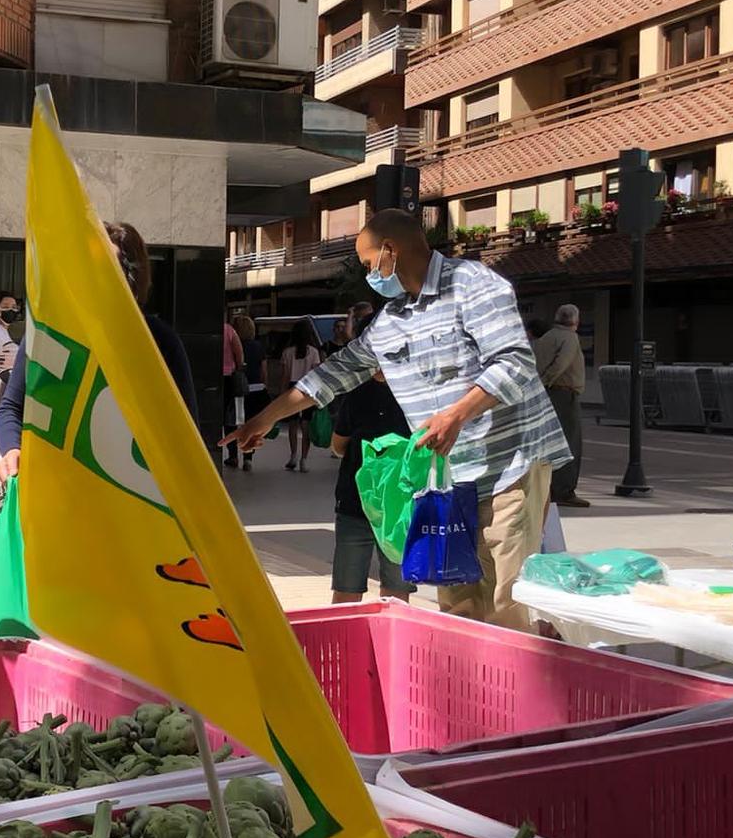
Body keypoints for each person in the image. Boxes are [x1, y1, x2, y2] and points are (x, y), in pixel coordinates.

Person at [225, 210, 570, 629]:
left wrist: (456, 414)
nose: (371, 274)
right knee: (457, 600)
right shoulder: (391, 322)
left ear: (390, 250)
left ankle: (518, 689)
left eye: (370, 263)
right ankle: (469, 689)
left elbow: (515, 362)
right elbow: (332, 376)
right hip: (448, 478)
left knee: (504, 599)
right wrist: (263, 419)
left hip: (509, 467)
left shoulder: (472, 284)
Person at [0, 221, 195, 477]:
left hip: (132, 500)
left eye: (107, 266)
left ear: (133, 277)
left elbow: (187, 435)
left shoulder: (159, 341)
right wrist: (12, 449)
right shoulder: (47, 333)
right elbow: (11, 407)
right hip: (56, 491)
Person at [328, 302, 411, 603]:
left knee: (346, 590)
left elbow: (338, 445)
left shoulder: (356, 391)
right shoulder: (415, 391)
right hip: (401, 502)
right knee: (397, 590)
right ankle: (396, 647)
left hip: (356, 499)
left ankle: (347, 649)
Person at [533, 303, 589, 508]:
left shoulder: (547, 337)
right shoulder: (570, 338)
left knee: (550, 443)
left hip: (549, 392)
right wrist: (548, 379)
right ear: (576, 320)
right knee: (570, 443)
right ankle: (564, 490)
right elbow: (561, 363)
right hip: (564, 394)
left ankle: (549, 487)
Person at [284, 327, 323, 472]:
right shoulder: (313, 352)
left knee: (292, 424)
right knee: (306, 425)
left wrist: (283, 393)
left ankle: (293, 455)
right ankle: (304, 459)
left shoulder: (287, 352)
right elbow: (316, 373)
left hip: (292, 387)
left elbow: (285, 375)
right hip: (308, 387)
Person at [235, 314, 267, 473]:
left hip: (239, 388)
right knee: (252, 423)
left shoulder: (235, 345)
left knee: (234, 420)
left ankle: (233, 454)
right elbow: (263, 369)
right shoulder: (258, 346)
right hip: (256, 387)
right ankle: (248, 457)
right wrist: (264, 384)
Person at [221, 315, 245, 468]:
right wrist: (238, 368)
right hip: (229, 378)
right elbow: (239, 354)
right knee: (229, 419)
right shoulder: (229, 330)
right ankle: (233, 455)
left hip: (209, 378)